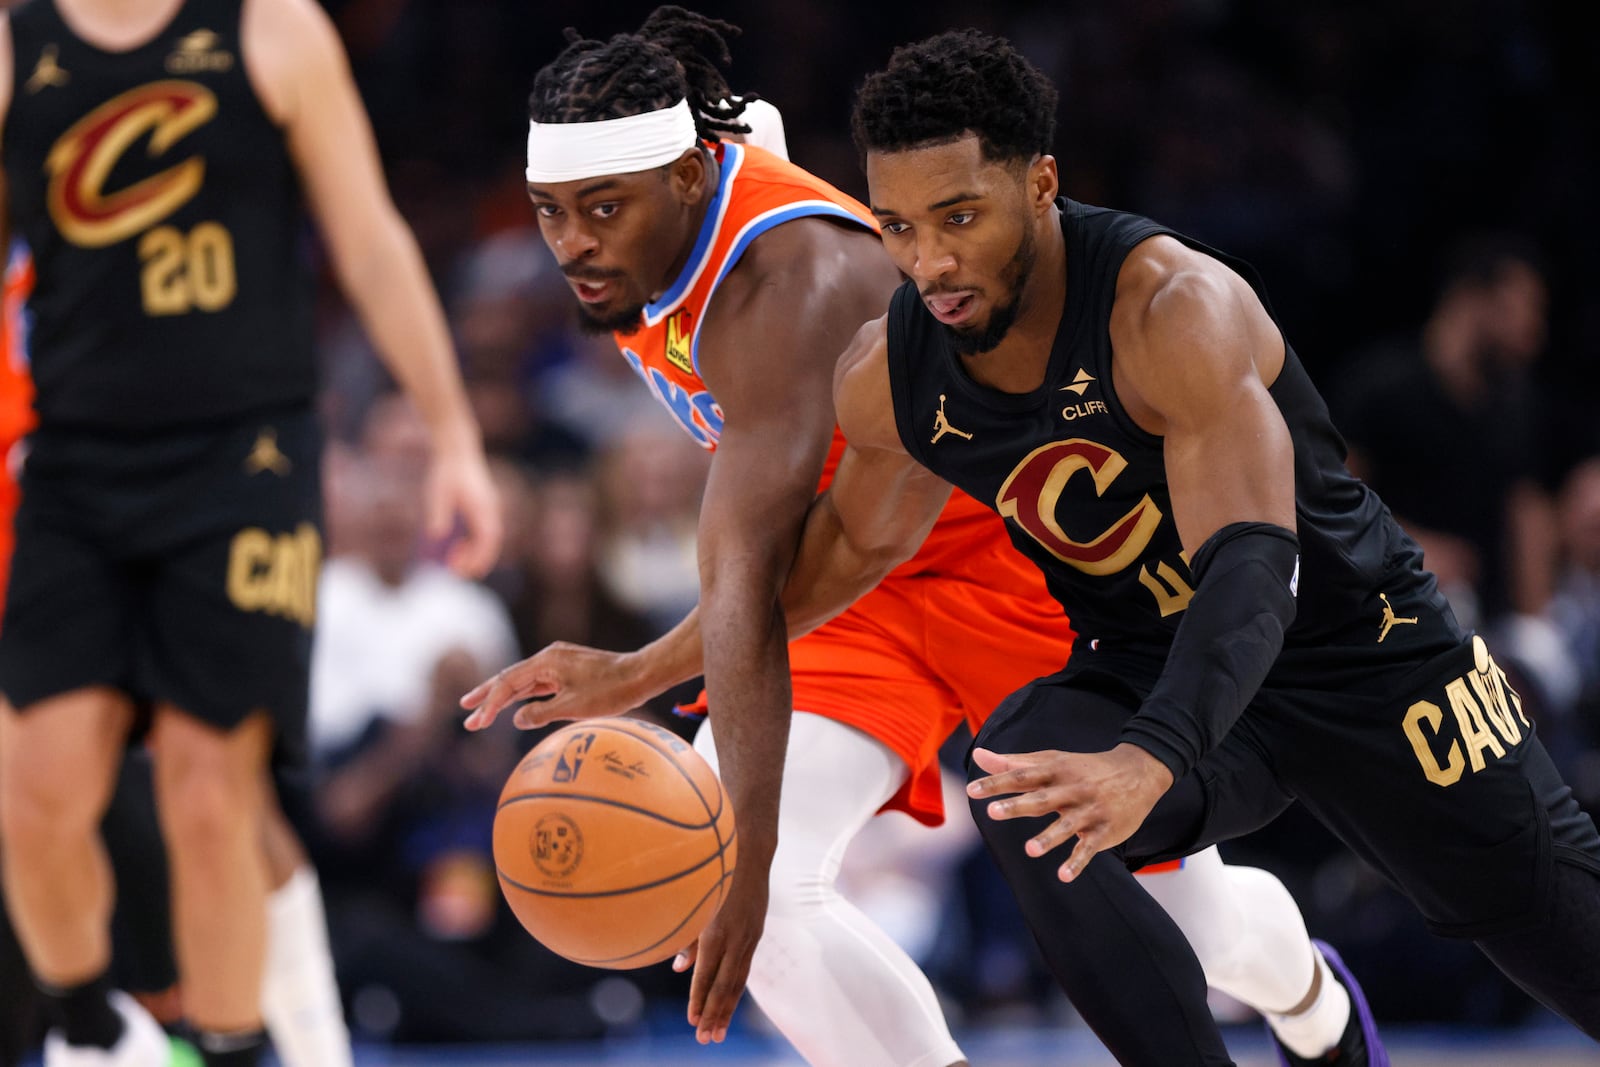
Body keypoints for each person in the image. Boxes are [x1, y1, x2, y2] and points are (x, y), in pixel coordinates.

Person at [656, 26, 1599, 1065]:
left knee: (1555, 931)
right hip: (1151, 664)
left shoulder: (1169, 305)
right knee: (1021, 772)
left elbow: (1254, 564)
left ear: (1042, 183)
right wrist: (641, 666)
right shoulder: (896, 367)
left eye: (959, 217)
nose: (930, 261)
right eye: (898, 227)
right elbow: (851, 551)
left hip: (1358, 653)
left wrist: (1151, 756)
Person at [464, 9, 1383, 1065]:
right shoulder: (648, 224)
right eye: (550, 212)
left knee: (1192, 931)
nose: (572, 240)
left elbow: (749, 587)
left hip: (1019, 559)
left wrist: (634, 675)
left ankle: (1312, 1001)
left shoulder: (783, 291)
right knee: (731, 869)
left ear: (682, 177)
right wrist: (738, 848)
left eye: (600, 207)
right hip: (852, 567)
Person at [0, 1, 502, 1066]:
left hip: (243, 458)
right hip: (76, 458)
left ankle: (231, 1048)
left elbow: (367, 237)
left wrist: (453, 433)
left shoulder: (273, 29)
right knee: (34, 797)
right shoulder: (16, 39)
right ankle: (95, 1017)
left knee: (207, 791)